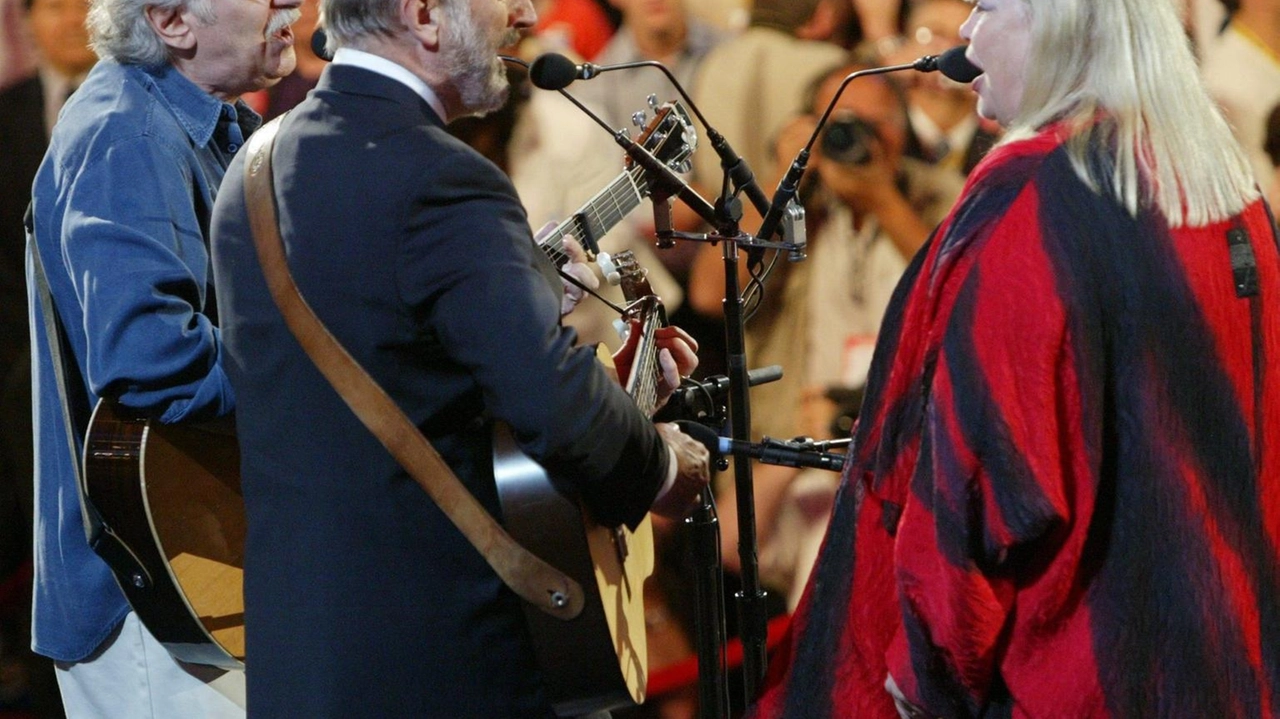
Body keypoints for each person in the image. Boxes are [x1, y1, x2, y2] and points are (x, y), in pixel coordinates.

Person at [749, 0, 1280, 716]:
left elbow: (979, 477)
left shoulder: (1031, 196)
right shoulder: (1226, 185)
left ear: (1058, 22)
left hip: (1073, 673)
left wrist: (920, 678)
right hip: (1227, 664)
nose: (968, 33)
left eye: (988, 7)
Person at [207, 0, 711, 715]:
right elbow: (555, 405)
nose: (528, 13)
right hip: (445, 662)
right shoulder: (444, 178)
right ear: (424, 15)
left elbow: (386, 356)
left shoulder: (253, 168)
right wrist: (661, 465)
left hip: (301, 661)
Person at [25, 0, 302, 712]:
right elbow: (153, 359)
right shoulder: (123, 128)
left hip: (208, 575)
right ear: (174, 21)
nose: (292, 4)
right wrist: (321, 374)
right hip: (157, 606)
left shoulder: (212, 123)